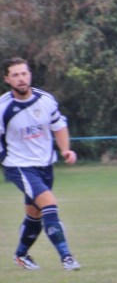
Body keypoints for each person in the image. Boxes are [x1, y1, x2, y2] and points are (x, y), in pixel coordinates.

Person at [1, 57, 81, 271]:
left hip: (45, 165)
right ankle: (67, 257)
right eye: (15, 75)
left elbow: (59, 126)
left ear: (30, 75)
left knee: (34, 215)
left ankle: (21, 255)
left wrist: (65, 150)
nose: (21, 78)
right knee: (48, 204)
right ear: (7, 79)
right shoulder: (3, 107)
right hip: (19, 165)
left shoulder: (46, 100)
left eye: (24, 73)